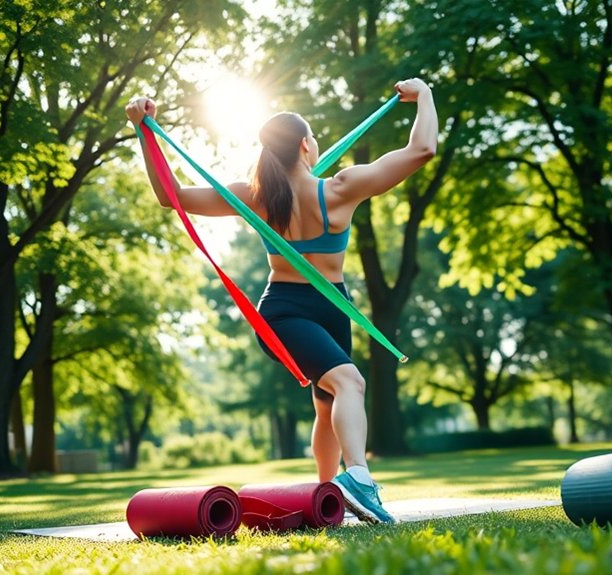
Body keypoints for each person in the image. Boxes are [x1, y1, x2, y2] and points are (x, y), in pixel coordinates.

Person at [125, 78, 438, 524]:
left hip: (330, 307)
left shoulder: (256, 197)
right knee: (351, 383)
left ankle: (327, 498)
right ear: (308, 145)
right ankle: (361, 480)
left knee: (329, 402)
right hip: (286, 314)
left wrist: (145, 130)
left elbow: (169, 196)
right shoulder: (340, 189)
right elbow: (422, 149)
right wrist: (424, 94)